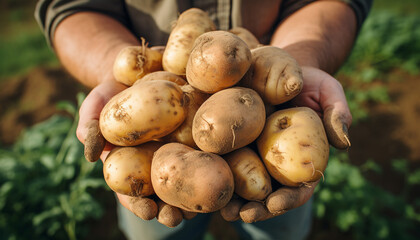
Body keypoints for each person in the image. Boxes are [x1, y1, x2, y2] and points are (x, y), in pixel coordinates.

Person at [35, 0, 372, 239]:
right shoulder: (167, 88)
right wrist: (117, 70)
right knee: (157, 228)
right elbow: (69, 6)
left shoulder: (261, 85)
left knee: (279, 225)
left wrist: (303, 57)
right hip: (160, 147)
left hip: (269, 75)